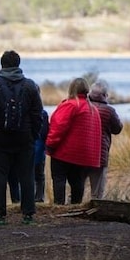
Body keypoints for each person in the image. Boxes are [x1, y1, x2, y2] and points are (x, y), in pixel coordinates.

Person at [0, 50, 42, 225]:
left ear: (2, 64)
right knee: (26, 176)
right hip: (24, 137)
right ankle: (28, 215)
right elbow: (37, 114)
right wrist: (34, 134)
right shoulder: (30, 86)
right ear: (18, 64)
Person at [46, 77, 102, 206]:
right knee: (78, 182)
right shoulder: (93, 109)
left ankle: (59, 206)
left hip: (65, 153)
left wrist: (50, 145)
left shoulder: (70, 105)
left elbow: (58, 127)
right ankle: (76, 206)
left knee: (59, 179)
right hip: (84, 156)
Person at [85, 81, 123, 199]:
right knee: (97, 192)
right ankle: (95, 212)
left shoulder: (83, 106)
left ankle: (72, 209)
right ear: (105, 95)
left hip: (82, 153)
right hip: (100, 154)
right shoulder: (109, 111)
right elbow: (118, 128)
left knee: (77, 188)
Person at [34, 108, 49, 202]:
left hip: (25, 150)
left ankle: (26, 198)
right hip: (39, 149)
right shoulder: (43, 113)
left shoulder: (22, 109)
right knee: (39, 176)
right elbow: (45, 133)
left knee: (25, 176)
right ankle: (39, 198)